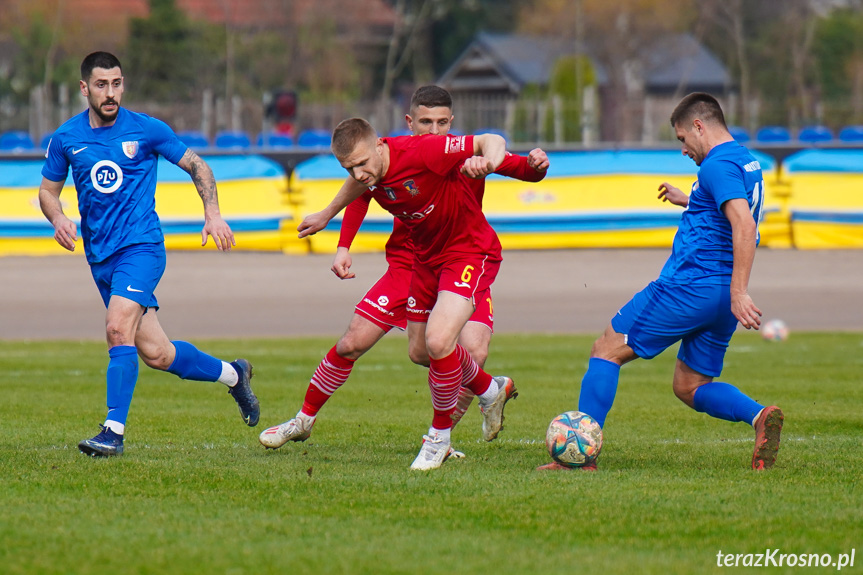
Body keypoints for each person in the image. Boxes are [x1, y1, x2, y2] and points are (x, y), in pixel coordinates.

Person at [259, 87, 548, 457]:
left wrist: (532, 166)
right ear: (409, 122)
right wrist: (337, 233)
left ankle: (442, 439)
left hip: (464, 256)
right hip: (411, 262)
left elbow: (511, 160)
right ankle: (303, 421)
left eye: (442, 123)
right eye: (426, 122)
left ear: (452, 123)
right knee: (379, 346)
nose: (434, 130)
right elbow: (362, 186)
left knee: (465, 348)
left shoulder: (455, 152)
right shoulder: (382, 161)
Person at [539, 92, 783, 472]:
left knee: (605, 349)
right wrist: (691, 200)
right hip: (718, 298)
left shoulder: (715, 166)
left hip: (689, 286)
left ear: (700, 126)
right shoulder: (746, 160)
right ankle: (759, 416)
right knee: (690, 386)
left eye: (683, 139)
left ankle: (579, 459)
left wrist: (741, 292)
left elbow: (744, 223)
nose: (683, 149)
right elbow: (728, 210)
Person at [38, 51, 260, 457]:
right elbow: (47, 192)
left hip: (141, 248)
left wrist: (212, 213)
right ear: (84, 88)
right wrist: (58, 218)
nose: (111, 93)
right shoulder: (66, 138)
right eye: (102, 85)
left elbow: (198, 166)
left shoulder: (146, 130)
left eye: (117, 83)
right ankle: (234, 374)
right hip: (101, 258)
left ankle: (112, 432)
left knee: (116, 327)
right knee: (158, 353)